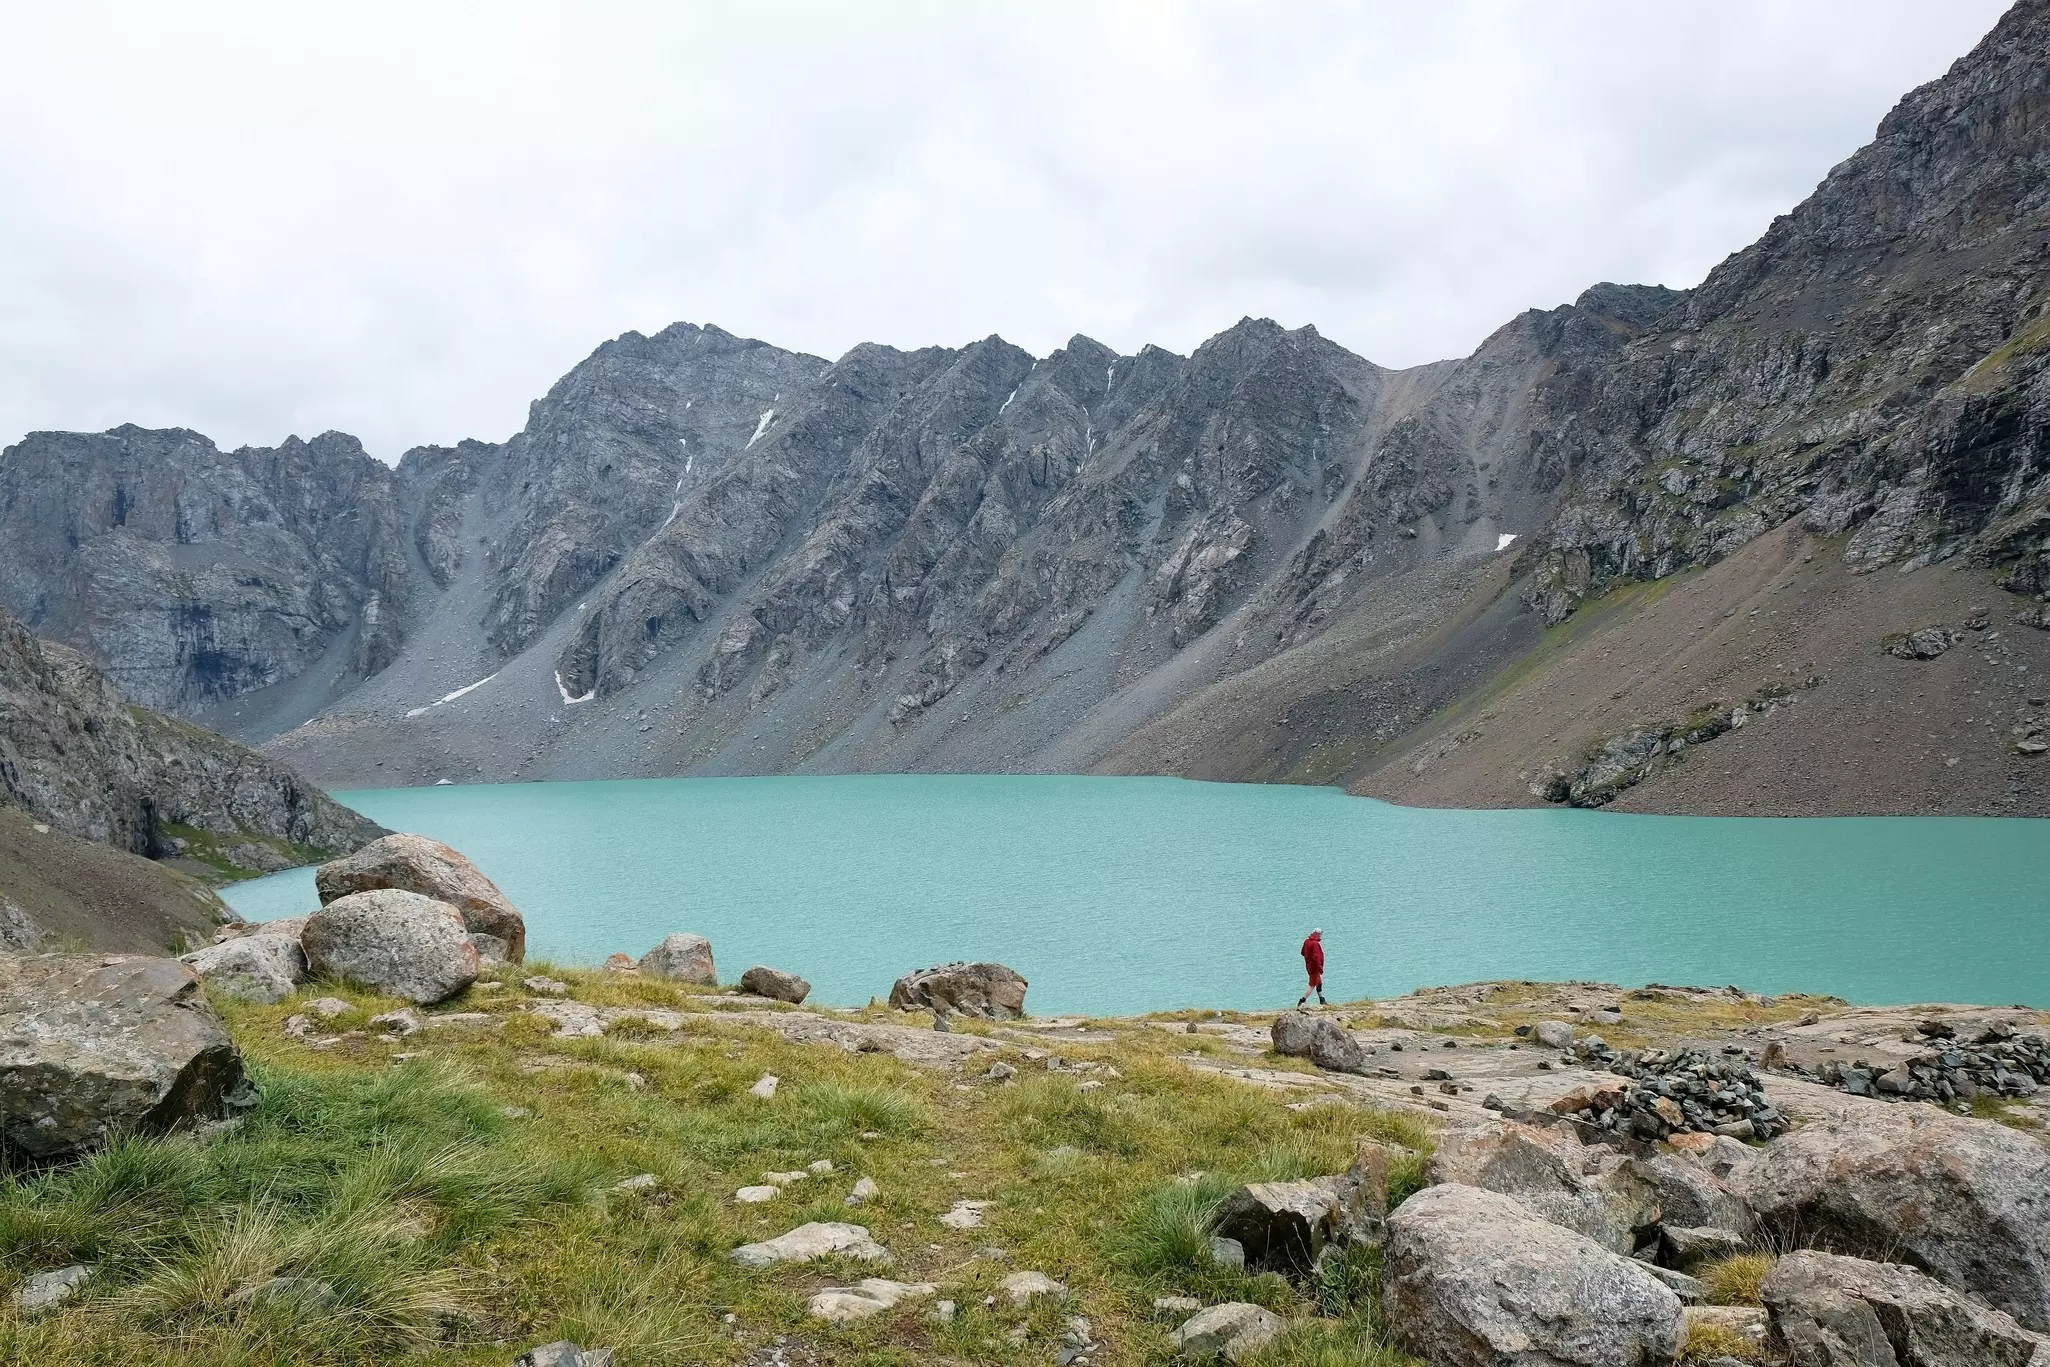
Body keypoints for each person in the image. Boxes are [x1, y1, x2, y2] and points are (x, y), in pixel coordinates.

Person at [1297, 928, 1326, 1007]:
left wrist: (1308, 959)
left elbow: (1302, 952)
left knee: (1319, 983)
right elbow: (1317, 957)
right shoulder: (1315, 944)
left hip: (1309, 966)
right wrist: (1320, 967)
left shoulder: (1306, 941)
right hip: (1315, 967)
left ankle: (1322, 999)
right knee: (1312, 985)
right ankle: (1302, 1001)